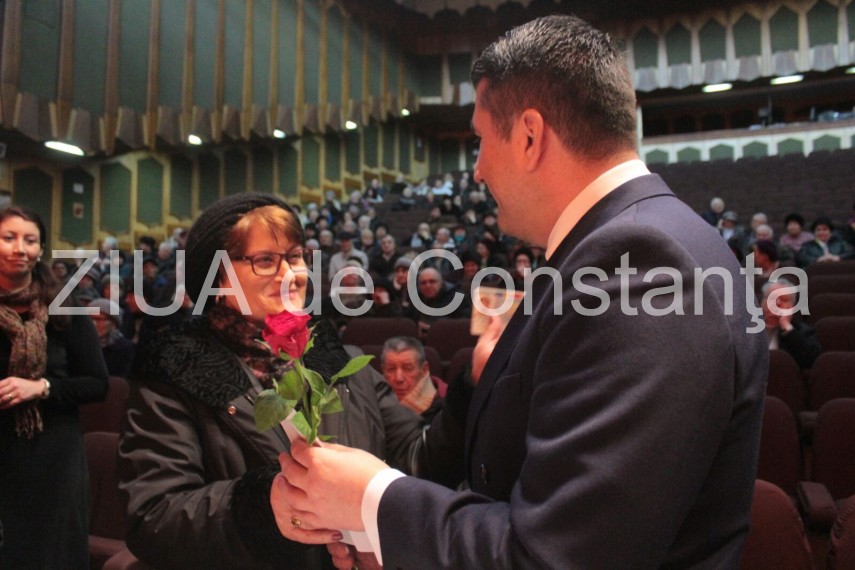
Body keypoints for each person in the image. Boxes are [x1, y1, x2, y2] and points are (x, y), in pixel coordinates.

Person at [277, 15, 767, 569]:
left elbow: (557, 557)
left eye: (482, 140)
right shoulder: (611, 247)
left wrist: (374, 499)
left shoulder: (641, 264)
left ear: (530, 136)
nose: (479, 171)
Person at [117, 193, 469, 570]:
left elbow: (417, 460)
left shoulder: (337, 359)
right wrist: (265, 507)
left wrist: (473, 391)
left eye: (296, 257)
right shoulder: (175, 372)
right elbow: (154, 518)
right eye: (266, 260)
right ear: (217, 279)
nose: (292, 275)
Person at [0, 206, 109, 569]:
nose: (19, 248)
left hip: (53, 456)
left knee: (52, 555)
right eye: (8, 238)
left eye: (29, 240)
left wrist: (40, 388)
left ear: (40, 249)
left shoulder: (63, 307)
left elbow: (97, 383)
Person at [380, 336, 446, 422]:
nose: (398, 378)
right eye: (391, 369)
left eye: (408, 369)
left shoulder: (448, 405)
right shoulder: (372, 404)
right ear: (383, 370)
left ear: (424, 369)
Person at [761, 279, 822, 369]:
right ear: (762, 303)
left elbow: (812, 361)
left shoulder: (802, 332)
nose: (777, 303)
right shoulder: (746, 329)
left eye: (784, 300)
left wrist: (786, 327)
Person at [88, 298, 135, 378]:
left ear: (114, 323)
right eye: (90, 319)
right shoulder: (80, 343)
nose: (94, 323)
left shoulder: (125, 348)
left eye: (99, 319)